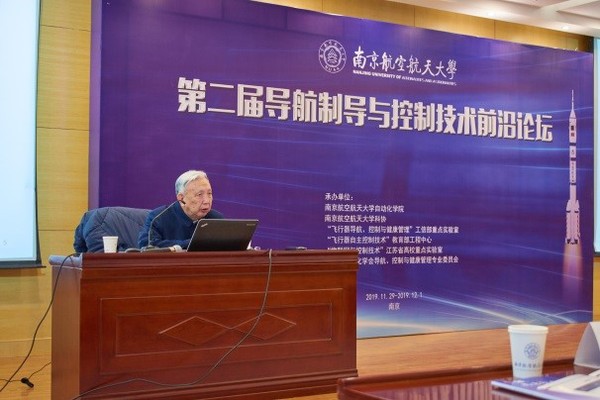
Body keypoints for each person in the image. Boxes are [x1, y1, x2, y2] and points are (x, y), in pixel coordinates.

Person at [138, 170, 224, 249]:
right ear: (181, 198)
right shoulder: (158, 218)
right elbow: (147, 246)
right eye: (199, 194)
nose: (207, 201)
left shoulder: (216, 219)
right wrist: (193, 243)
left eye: (209, 193)